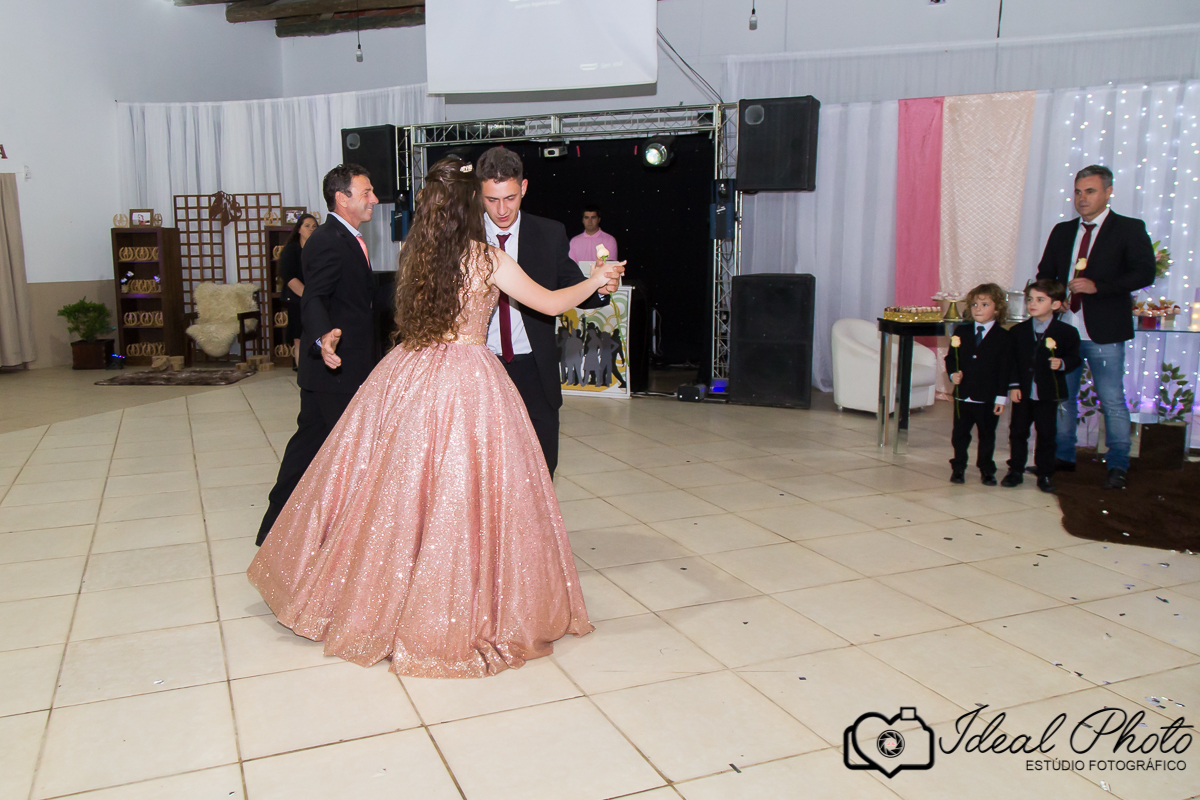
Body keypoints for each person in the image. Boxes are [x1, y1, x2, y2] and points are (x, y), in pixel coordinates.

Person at [247, 158, 620, 678]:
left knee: (397, 489)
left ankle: (385, 594)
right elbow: (552, 303)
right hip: (469, 378)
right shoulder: (486, 259)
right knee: (462, 490)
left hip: (412, 369)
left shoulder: (415, 254)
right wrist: (596, 278)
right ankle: (456, 597)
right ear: (470, 207)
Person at [257, 164, 389, 546]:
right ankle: (349, 538)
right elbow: (314, 296)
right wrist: (321, 339)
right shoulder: (328, 239)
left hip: (337, 368)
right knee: (352, 453)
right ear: (342, 198)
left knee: (308, 446)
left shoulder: (348, 237)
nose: (374, 199)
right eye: (366, 192)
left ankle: (273, 530)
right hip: (335, 368)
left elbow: (354, 300)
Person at [476, 147, 622, 477]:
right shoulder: (463, 237)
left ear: (524, 187)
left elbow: (571, 285)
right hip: (480, 369)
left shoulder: (548, 232)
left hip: (533, 367)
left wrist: (599, 287)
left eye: (510, 198)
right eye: (492, 200)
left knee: (542, 467)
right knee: (486, 470)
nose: (502, 209)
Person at [1036, 164, 1156, 490]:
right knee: (1063, 399)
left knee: (1112, 400)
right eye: (1078, 192)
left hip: (1105, 331)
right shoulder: (1063, 231)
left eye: (1090, 191)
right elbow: (1045, 273)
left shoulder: (1128, 228)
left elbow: (1144, 273)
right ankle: (1062, 457)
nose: (1082, 198)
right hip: (1064, 330)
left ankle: (1118, 464)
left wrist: (1097, 287)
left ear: (1108, 192)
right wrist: (1054, 298)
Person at [1002, 280, 1081, 493]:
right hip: (1023, 392)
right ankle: (1015, 469)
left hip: (1048, 393)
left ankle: (1045, 472)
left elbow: (1075, 358)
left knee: (1046, 434)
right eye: (1030, 299)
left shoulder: (1066, 332)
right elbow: (1011, 362)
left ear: (1055, 305)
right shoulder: (1018, 331)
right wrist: (1014, 385)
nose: (1032, 304)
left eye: (1040, 300)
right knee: (1018, 431)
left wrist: (1061, 363)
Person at [945, 283, 1013, 485]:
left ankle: (986, 468)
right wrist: (953, 374)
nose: (978, 309)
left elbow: (1005, 369)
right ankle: (958, 467)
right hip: (963, 394)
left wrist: (1001, 397)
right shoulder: (962, 331)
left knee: (986, 435)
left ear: (997, 309)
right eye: (974, 304)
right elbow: (951, 358)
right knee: (960, 434)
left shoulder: (1003, 337)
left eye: (985, 305)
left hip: (987, 397)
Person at [278, 213, 318, 369]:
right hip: (297, 299)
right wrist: (308, 296)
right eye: (307, 226)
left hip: (316, 299)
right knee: (299, 337)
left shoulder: (319, 250)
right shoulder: (291, 250)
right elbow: (289, 277)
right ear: (299, 229)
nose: (311, 229)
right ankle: (301, 371)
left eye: (314, 226)